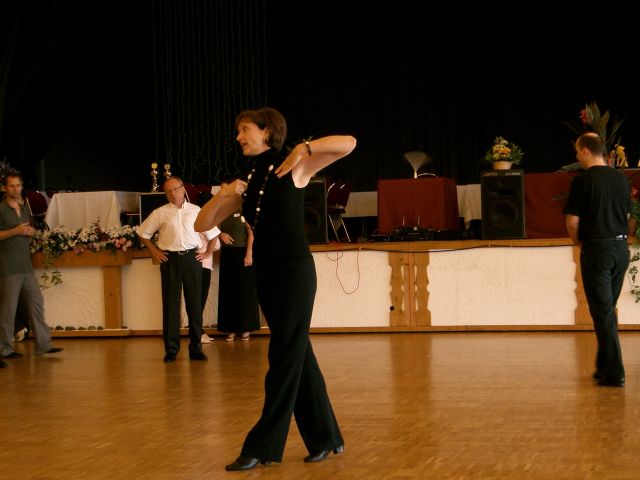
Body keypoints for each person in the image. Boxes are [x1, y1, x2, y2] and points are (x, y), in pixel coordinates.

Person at [195, 107, 356, 470]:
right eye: (238, 130)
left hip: (295, 272)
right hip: (266, 275)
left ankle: (262, 445)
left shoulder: (293, 166)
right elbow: (201, 224)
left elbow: (349, 143)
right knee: (297, 353)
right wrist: (222, 195)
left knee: (283, 356)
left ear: (266, 131)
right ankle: (327, 438)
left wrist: (304, 148)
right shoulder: (247, 181)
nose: (238, 136)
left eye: (244, 129)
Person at [564, 132, 631, 387]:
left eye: (577, 152)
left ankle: (615, 373)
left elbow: (572, 222)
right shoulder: (621, 179)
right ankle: (603, 367)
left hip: (597, 250)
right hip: (620, 249)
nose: (577, 156)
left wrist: (579, 243)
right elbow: (628, 218)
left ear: (585, 151)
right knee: (606, 311)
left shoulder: (582, 181)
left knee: (602, 313)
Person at [137, 176, 220, 362]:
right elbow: (143, 233)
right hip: (170, 259)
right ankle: (171, 350)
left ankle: (196, 349)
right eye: (169, 191)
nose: (173, 193)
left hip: (192, 259)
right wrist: (154, 252)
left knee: (194, 305)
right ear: (166, 194)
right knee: (171, 305)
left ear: (183, 189)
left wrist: (207, 252)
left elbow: (213, 232)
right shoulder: (160, 213)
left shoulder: (196, 210)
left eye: (176, 189)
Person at [0, 171, 63, 362]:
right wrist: (15, 231)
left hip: (26, 266)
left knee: (36, 302)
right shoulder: (1, 209)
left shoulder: (23, 208)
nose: (16, 189)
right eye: (12, 186)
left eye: (18, 185)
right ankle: (4, 349)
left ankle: (44, 344)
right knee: (8, 309)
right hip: (8, 267)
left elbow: (24, 231)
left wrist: (29, 232)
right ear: (5, 188)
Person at [216, 187, 260, 342]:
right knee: (228, 291)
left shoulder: (244, 209)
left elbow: (251, 233)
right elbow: (214, 228)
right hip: (227, 254)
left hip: (243, 253)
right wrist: (220, 234)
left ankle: (245, 328)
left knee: (244, 291)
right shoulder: (221, 210)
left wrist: (249, 254)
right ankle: (230, 329)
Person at [198, 231, 220, 344]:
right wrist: (207, 252)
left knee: (199, 301)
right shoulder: (204, 224)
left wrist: (207, 252)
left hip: (202, 263)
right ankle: (198, 333)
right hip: (202, 264)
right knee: (199, 300)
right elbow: (217, 244)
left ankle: (199, 331)